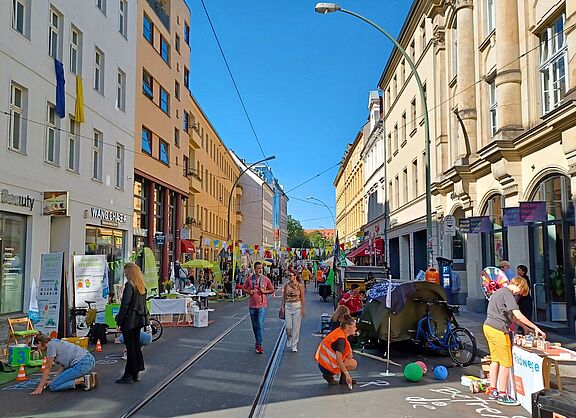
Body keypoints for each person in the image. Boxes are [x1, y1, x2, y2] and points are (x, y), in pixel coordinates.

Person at [483, 276, 546, 406]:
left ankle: (493, 390)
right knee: (506, 362)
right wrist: (535, 327)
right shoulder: (507, 293)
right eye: (520, 291)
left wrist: (525, 328)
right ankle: (502, 394)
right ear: (517, 284)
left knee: (495, 360)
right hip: (498, 329)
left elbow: (512, 317)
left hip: (488, 326)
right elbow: (518, 315)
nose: (519, 294)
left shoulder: (499, 293)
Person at [115, 262, 148, 383]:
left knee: (131, 348)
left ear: (129, 272)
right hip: (138, 321)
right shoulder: (142, 286)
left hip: (129, 321)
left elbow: (125, 305)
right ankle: (135, 373)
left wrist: (119, 320)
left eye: (125, 272)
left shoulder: (129, 285)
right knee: (135, 347)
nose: (124, 274)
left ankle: (128, 375)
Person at [31, 334, 97, 394]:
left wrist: (40, 386)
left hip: (81, 364)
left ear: (39, 343)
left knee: (53, 386)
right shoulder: (55, 341)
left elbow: (48, 368)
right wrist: (53, 380)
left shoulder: (50, 347)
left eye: (37, 346)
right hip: (89, 360)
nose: (38, 349)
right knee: (55, 382)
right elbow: (63, 366)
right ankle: (90, 378)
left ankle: (83, 380)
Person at [315, 314, 358, 386]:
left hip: (323, 363)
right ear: (348, 328)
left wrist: (349, 353)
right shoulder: (340, 340)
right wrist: (347, 375)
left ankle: (339, 378)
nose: (356, 328)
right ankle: (330, 375)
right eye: (354, 326)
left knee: (349, 358)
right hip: (326, 365)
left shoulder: (340, 331)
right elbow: (339, 359)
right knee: (353, 363)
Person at [242, 261, 275, 354]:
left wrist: (264, 292)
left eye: (261, 268)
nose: (260, 270)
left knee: (260, 324)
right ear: (254, 269)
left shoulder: (266, 279)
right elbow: (243, 288)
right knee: (255, 325)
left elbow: (272, 290)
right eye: (258, 268)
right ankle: (257, 340)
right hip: (252, 306)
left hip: (262, 305)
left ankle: (259, 344)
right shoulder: (249, 279)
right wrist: (249, 292)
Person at [281, 271, 306, 352]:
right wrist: (282, 307)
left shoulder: (300, 286)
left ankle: (294, 345)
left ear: (295, 276)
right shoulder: (286, 285)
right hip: (288, 306)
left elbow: (302, 297)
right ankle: (289, 337)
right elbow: (284, 297)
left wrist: (303, 309)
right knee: (288, 326)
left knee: (296, 327)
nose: (289, 277)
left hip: (297, 306)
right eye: (288, 275)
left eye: (291, 275)